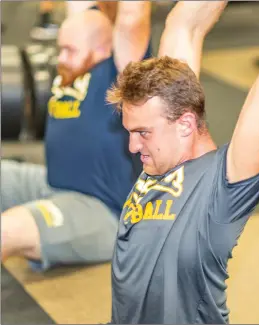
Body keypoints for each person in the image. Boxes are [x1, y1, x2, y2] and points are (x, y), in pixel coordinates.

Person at [106, 1, 259, 324]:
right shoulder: (160, 152)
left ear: (185, 125)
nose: (132, 145)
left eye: (142, 132)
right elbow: (185, 24)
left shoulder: (223, 183)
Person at [1, 1, 152, 271]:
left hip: (102, 211)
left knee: (7, 230)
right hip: (52, 186)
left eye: (69, 51)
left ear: (104, 49)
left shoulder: (124, 74)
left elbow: (133, 14)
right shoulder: (74, 61)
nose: (60, 59)